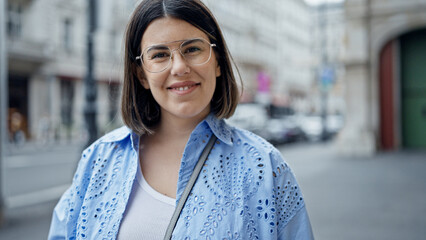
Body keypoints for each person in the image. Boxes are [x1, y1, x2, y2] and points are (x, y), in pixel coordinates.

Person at [48, 0, 314, 239]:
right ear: (141, 75)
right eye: (160, 55)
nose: (178, 67)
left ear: (218, 61)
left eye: (192, 49)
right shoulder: (98, 160)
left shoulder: (266, 167)